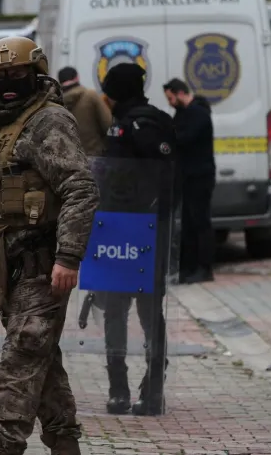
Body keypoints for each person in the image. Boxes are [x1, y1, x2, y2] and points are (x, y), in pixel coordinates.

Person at [0, 36, 98, 455]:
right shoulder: (0, 124)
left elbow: (79, 188)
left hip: (42, 266)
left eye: (17, 74)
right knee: (41, 363)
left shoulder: (49, 121)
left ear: (36, 72)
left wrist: (68, 256)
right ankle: (65, 444)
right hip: (2, 266)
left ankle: (4, 447)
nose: (9, 82)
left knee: (21, 357)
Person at [97, 63, 174, 416]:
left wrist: (155, 219)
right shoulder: (124, 121)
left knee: (145, 311)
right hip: (115, 230)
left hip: (142, 231)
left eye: (109, 92)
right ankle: (118, 388)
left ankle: (152, 388)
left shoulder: (145, 124)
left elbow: (166, 179)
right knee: (115, 309)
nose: (106, 99)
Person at [163, 78, 216, 284]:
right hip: (186, 176)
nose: (170, 102)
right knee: (187, 224)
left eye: (170, 98)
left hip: (199, 177)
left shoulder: (198, 114)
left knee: (199, 223)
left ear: (180, 93)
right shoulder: (184, 113)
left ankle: (204, 267)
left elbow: (183, 138)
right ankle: (188, 267)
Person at [57, 66, 111, 155]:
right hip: (92, 158)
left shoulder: (55, 102)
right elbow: (108, 125)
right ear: (77, 77)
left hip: (66, 160)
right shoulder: (91, 96)